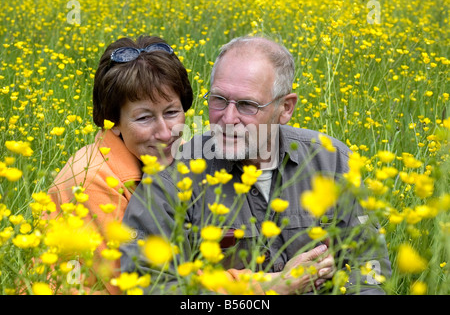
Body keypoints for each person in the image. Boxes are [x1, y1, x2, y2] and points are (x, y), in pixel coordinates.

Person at [120, 35, 391, 295]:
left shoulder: (331, 160)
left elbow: (369, 270)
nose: (228, 118)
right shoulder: (173, 176)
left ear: (285, 108)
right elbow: (150, 286)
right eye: (219, 100)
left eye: (247, 105)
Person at [48, 35, 193, 294]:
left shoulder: (178, 157)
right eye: (144, 117)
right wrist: (260, 284)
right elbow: (136, 282)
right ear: (112, 123)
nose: (165, 132)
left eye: (172, 112)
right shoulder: (89, 181)